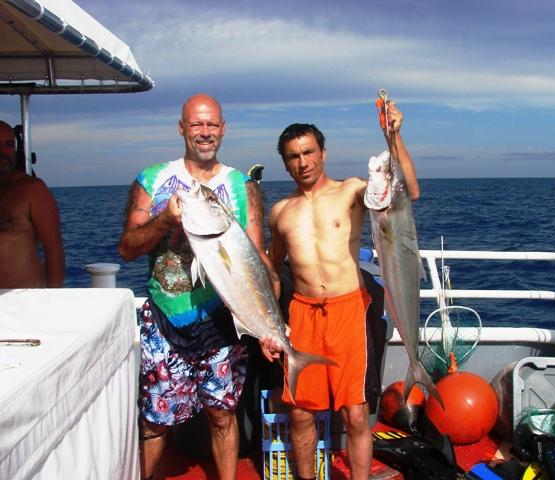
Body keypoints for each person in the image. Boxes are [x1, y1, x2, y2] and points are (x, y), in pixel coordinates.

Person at [118, 94, 278, 480]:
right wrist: (164, 222)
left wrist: (270, 324)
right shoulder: (152, 179)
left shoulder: (242, 187)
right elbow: (126, 248)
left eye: (211, 125)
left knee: (222, 415)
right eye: (196, 125)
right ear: (181, 128)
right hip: (164, 320)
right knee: (155, 420)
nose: (204, 133)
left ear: (222, 129)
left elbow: (256, 260)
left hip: (222, 322)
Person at [261, 101, 419, 479]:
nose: (303, 162)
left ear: (323, 152)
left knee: (355, 412)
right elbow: (274, 270)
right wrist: (268, 326)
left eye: (309, 152)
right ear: (286, 163)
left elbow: (407, 191)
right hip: (302, 314)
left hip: (350, 311)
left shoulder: (351, 191)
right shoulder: (280, 211)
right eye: (293, 156)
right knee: (299, 412)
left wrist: (393, 136)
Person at [0, 120, 64, 288]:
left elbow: (54, 250)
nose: (3, 151)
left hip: (21, 304)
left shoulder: (32, 190)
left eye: (9, 145)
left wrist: (52, 299)